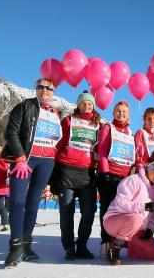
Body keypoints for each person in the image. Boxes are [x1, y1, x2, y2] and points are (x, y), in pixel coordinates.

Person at [1, 78, 62, 268]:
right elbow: (11, 132)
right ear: (36, 89)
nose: (45, 90)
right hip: (25, 160)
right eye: (41, 87)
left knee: (33, 203)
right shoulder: (24, 106)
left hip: (47, 162)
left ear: (53, 91)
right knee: (17, 201)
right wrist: (19, 157)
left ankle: (26, 245)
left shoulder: (56, 113)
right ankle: (15, 246)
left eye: (49, 88)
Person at [51, 91, 101, 260]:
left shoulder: (98, 125)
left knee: (89, 211)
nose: (87, 106)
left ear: (93, 106)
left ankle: (82, 246)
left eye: (90, 104)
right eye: (84, 103)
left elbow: (99, 148)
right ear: (78, 105)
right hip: (66, 170)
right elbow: (59, 142)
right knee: (66, 211)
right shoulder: (68, 120)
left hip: (87, 173)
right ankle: (68, 248)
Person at [103, 151, 154, 265]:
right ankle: (114, 248)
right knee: (136, 219)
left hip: (136, 228)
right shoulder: (133, 180)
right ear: (149, 169)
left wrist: (150, 229)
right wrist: (144, 206)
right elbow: (121, 203)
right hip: (114, 221)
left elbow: (153, 214)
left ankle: (129, 243)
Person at [97, 101, 135, 256]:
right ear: (113, 113)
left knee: (122, 210)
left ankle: (117, 241)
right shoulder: (108, 128)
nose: (121, 114)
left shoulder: (130, 133)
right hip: (109, 175)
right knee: (107, 210)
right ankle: (106, 241)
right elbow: (102, 151)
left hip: (124, 177)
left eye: (124, 112)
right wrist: (105, 173)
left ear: (128, 115)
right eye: (118, 111)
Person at [134, 107, 154, 172]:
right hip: (143, 170)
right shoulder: (141, 133)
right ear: (144, 120)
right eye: (149, 118)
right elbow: (138, 153)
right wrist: (140, 169)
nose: (152, 121)